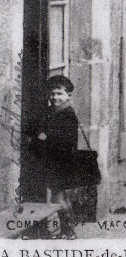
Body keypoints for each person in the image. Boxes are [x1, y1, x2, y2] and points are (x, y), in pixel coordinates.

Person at [33, 75, 79, 239]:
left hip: (60, 162)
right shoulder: (55, 111)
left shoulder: (66, 114)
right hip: (57, 161)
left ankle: (68, 231)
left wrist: (45, 137)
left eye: (59, 93)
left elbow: (63, 140)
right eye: (52, 94)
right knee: (60, 196)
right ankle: (66, 230)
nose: (55, 97)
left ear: (68, 95)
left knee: (58, 197)